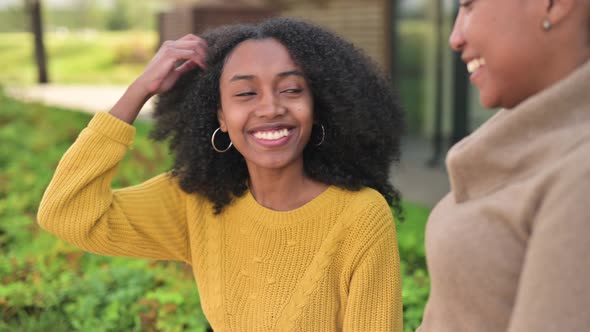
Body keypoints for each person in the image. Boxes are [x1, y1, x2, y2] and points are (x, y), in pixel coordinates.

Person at [38, 18, 405, 331]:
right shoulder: (197, 199)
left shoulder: (360, 217)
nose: (271, 107)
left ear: (318, 105)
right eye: (246, 93)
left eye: (291, 89)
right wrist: (140, 89)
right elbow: (67, 212)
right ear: (220, 118)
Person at [418, 0, 590, 331]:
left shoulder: (580, 176)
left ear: (554, 5)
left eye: (468, 6)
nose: (454, 38)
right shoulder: (532, 135)